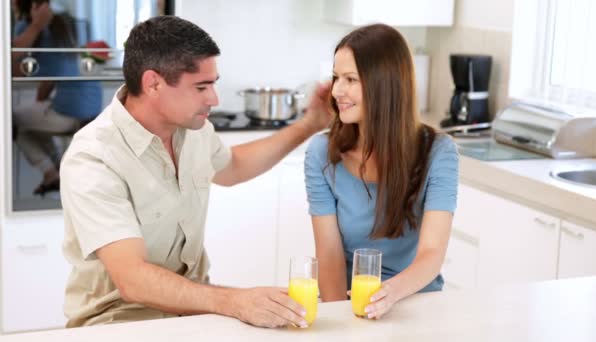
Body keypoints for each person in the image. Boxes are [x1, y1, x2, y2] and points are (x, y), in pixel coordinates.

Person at [60, 15, 330, 328]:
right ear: (154, 83)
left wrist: (309, 124)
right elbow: (132, 280)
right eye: (201, 87)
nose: (213, 99)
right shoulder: (94, 158)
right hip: (119, 320)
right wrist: (234, 301)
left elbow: (234, 166)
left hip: (193, 312)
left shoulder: (193, 130)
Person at [304, 24, 459, 319]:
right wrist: (342, 321)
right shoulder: (321, 154)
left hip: (416, 304)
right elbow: (330, 255)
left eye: (350, 79)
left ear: (384, 85)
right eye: (336, 77)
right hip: (351, 304)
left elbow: (431, 254)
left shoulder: (439, 152)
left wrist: (388, 295)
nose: (337, 91)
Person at [12, 0, 103, 195]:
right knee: (32, 123)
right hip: (94, 111)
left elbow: (11, 62)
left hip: (70, 113)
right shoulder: (69, 27)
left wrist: (36, 26)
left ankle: (51, 172)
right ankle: (58, 171)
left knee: (11, 122)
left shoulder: (30, 27)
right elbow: (55, 74)